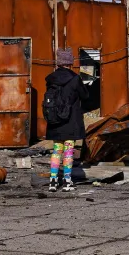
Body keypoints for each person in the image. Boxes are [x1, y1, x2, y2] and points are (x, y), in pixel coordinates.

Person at [42, 48, 88, 192]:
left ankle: (53, 181)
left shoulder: (51, 79)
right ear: (70, 62)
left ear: (58, 63)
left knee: (57, 150)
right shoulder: (75, 79)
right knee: (68, 150)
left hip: (55, 120)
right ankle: (67, 181)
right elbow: (85, 96)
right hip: (70, 120)